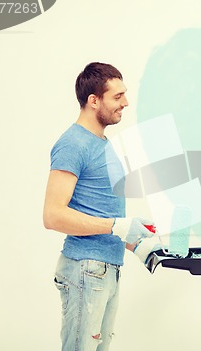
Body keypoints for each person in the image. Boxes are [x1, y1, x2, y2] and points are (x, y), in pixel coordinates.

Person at [43, 62, 159, 351]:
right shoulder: (73, 144)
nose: (125, 103)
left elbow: (98, 210)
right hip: (85, 270)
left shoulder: (103, 144)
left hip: (105, 269)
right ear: (93, 101)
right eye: (117, 97)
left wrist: (135, 241)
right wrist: (117, 226)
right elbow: (53, 215)